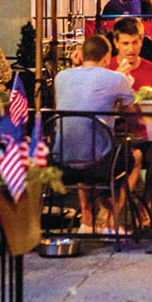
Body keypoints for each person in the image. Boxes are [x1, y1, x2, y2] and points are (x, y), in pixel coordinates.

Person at [54, 34, 136, 233]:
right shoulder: (117, 78)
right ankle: (112, 221)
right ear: (107, 58)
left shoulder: (61, 76)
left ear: (81, 55)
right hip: (99, 163)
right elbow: (132, 112)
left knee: (82, 143)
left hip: (59, 161)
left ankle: (87, 220)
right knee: (135, 159)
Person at [109, 17, 152, 91]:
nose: (131, 49)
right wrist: (113, 82)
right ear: (116, 43)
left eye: (135, 42)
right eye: (125, 43)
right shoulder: (104, 70)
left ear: (141, 41)